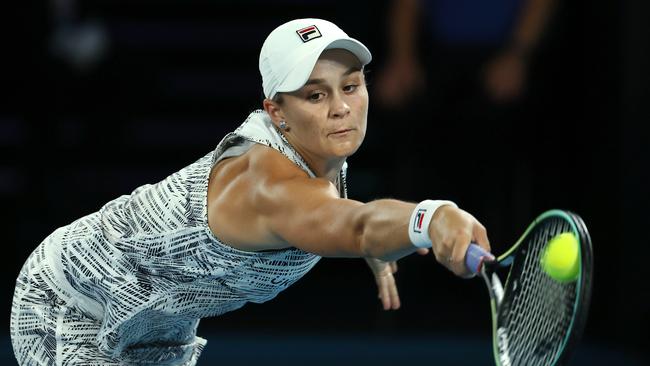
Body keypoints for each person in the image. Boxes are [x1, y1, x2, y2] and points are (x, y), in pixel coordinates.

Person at [10, 18, 491, 365]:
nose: (342, 108)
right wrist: (431, 218)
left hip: (156, 322)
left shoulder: (316, 149)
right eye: (316, 95)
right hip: (71, 302)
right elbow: (356, 224)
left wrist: (381, 239)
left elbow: (346, 218)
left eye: (352, 86)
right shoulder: (269, 186)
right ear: (276, 111)